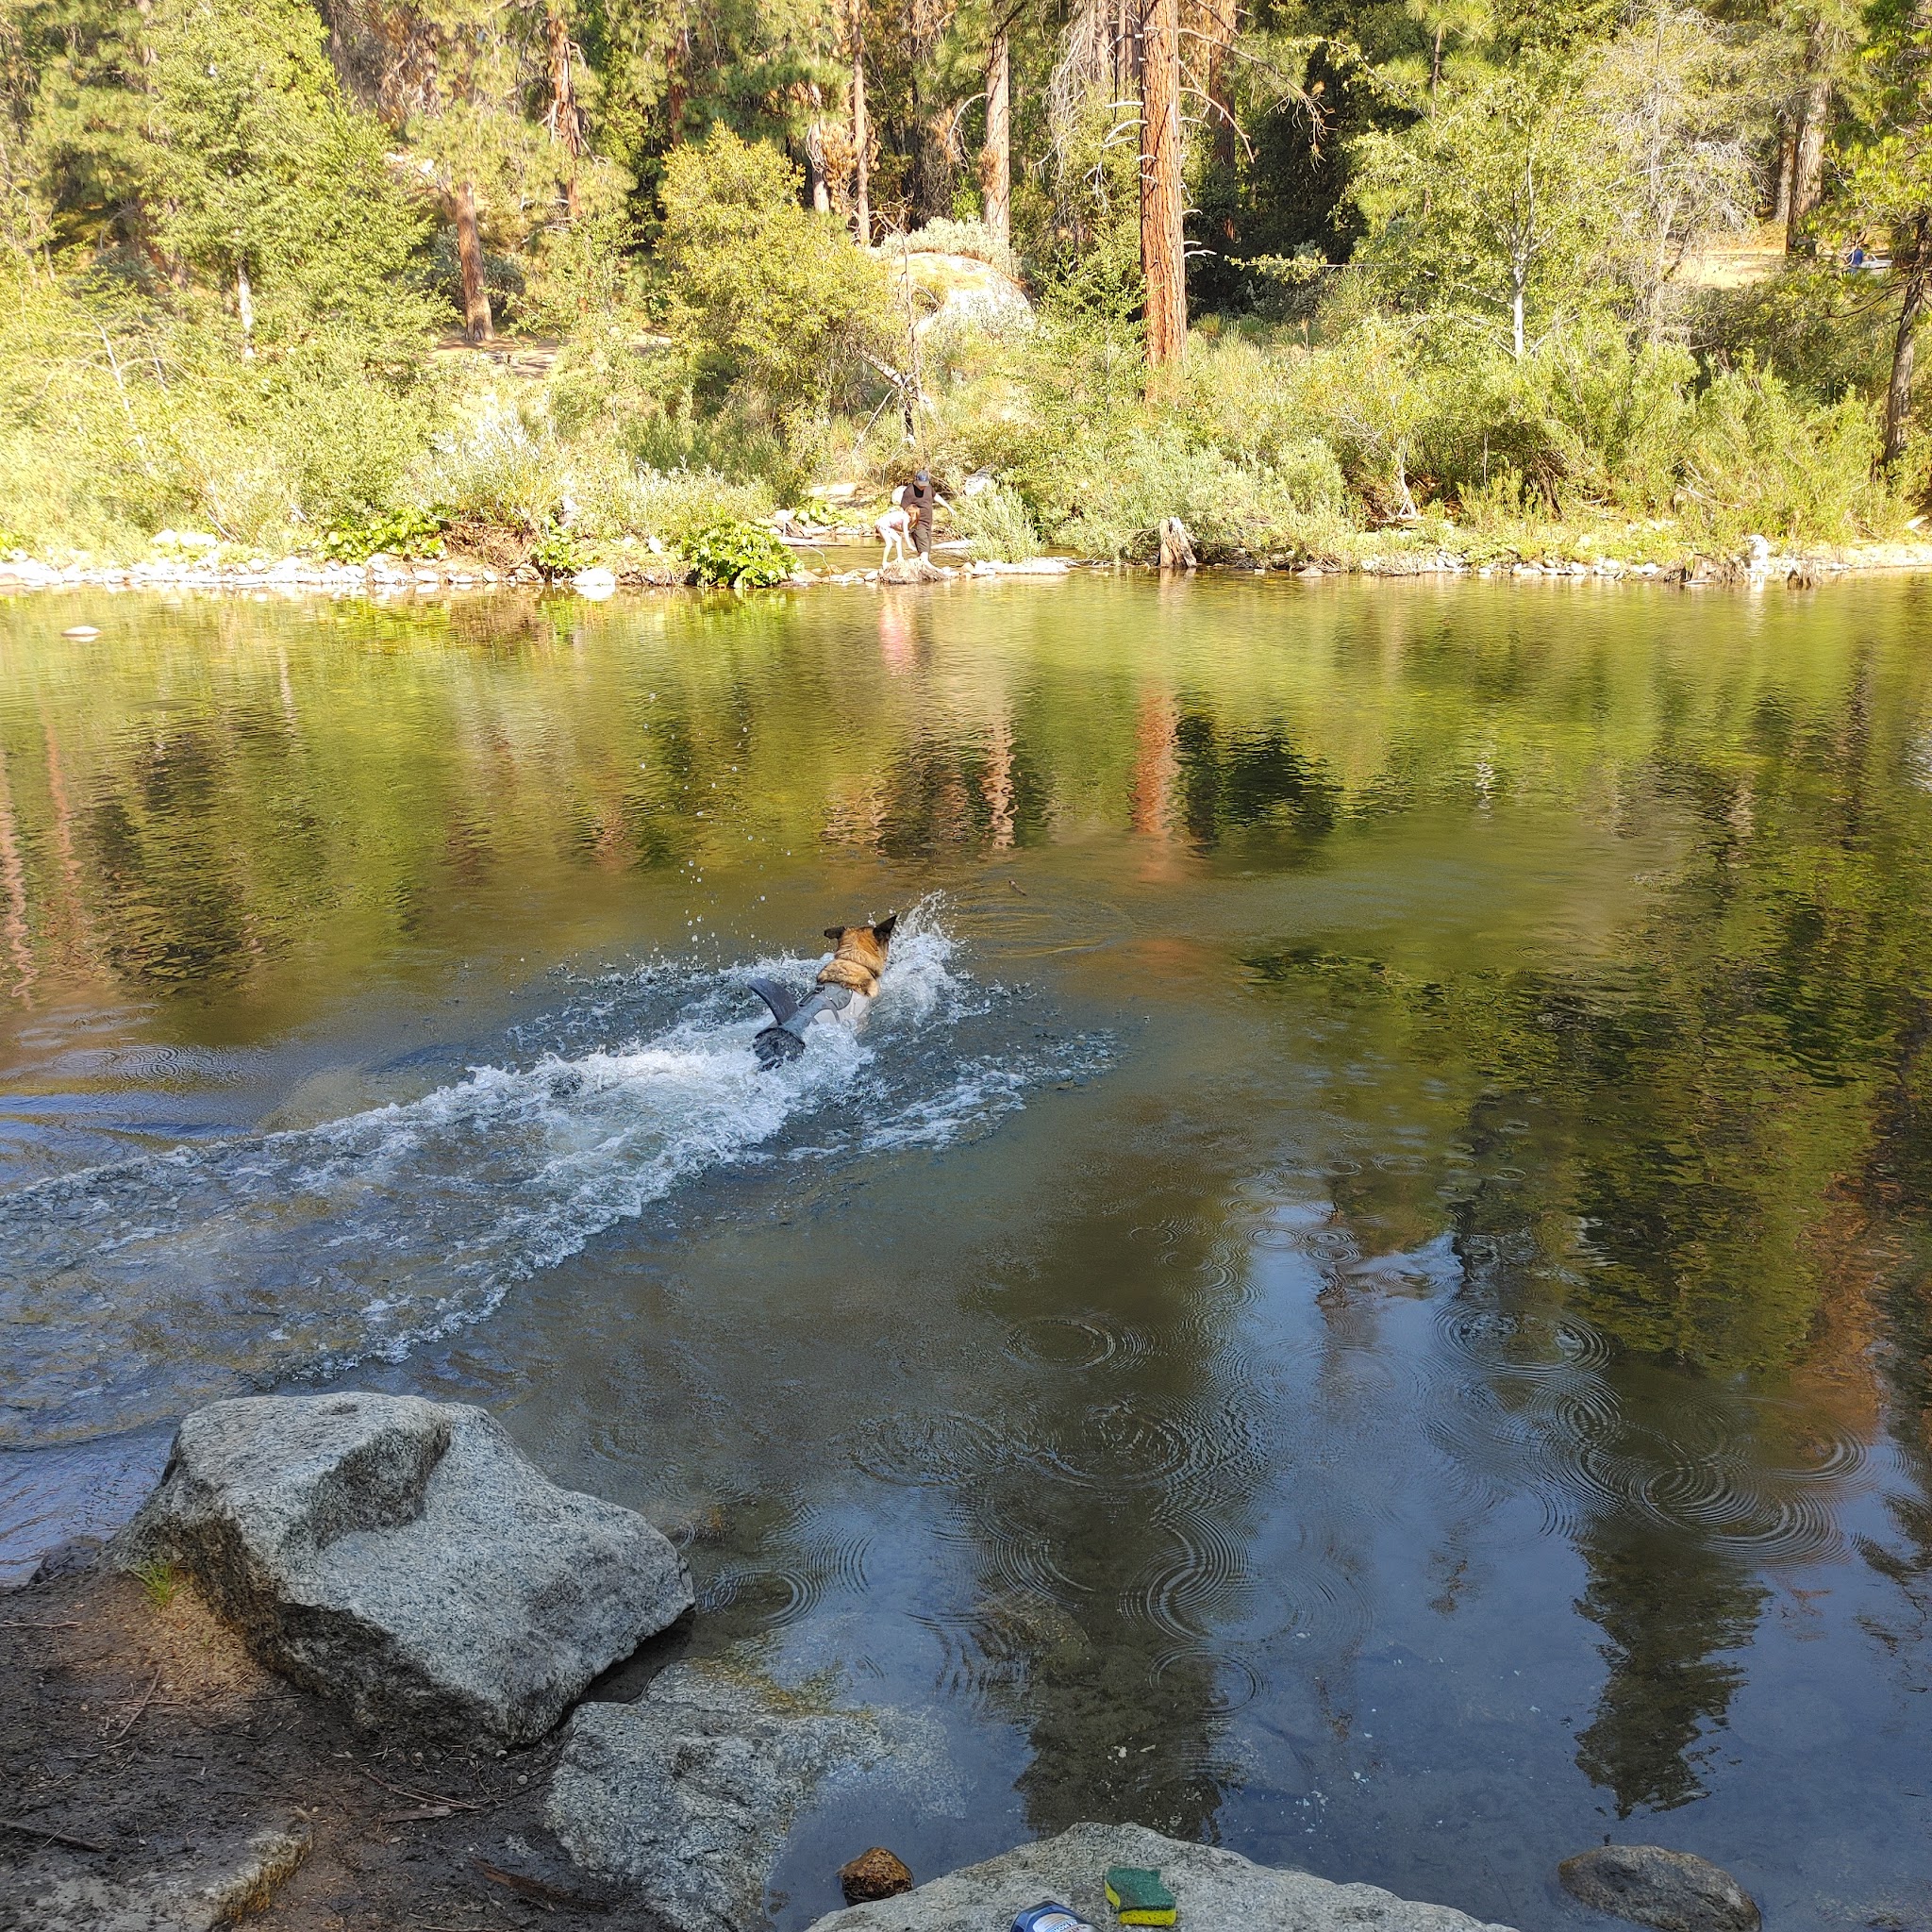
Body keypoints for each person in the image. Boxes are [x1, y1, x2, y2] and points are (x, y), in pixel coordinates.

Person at [904, 469, 947, 558]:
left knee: (924, 551)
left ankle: (917, 566)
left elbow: (935, 496)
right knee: (924, 553)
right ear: (916, 480)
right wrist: (907, 527)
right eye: (921, 484)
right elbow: (904, 511)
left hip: (928, 524)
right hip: (917, 525)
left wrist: (948, 507)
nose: (923, 487)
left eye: (925, 484)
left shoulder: (928, 487)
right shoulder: (909, 491)